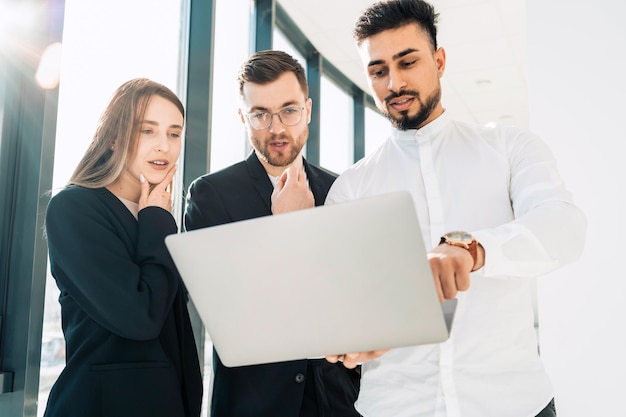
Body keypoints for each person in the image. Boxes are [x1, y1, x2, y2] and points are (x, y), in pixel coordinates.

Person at [324, 1, 587, 416]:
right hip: (396, 407)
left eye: (407, 62)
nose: (394, 83)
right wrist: (349, 336)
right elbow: (344, 302)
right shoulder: (350, 188)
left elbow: (564, 227)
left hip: (513, 404)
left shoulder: (508, 147)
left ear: (439, 60)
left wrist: (471, 248)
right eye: (378, 71)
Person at [184, 50, 361, 417]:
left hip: (336, 402)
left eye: (289, 110)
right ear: (242, 118)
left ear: (308, 111)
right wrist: (289, 230)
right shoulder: (210, 196)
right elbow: (231, 314)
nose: (277, 128)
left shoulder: (342, 191)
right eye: (260, 114)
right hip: (254, 405)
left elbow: (353, 301)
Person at [44, 78, 203, 417]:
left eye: (174, 134)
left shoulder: (156, 217)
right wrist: (158, 219)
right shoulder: (74, 208)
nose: (164, 145)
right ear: (115, 137)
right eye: (148, 130)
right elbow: (140, 317)